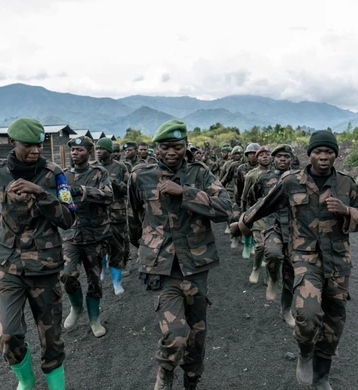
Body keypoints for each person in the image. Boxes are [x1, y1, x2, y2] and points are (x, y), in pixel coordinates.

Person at [231, 130, 358, 390]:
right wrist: (242, 223)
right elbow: (265, 205)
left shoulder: (347, 184)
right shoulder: (292, 182)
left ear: (336, 155)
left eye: (328, 152)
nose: (323, 157)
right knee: (307, 313)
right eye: (318, 152)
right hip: (305, 258)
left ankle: (322, 375)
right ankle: (305, 352)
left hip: (338, 260)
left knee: (335, 317)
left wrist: (346, 211)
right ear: (310, 155)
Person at [127, 120, 232, 390]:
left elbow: (225, 208)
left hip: (196, 266)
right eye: (165, 147)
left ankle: (192, 381)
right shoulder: (141, 175)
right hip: (162, 268)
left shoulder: (201, 174)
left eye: (178, 146)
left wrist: (185, 193)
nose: (171, 152)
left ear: (186, 147)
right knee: (176, 335)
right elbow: (135, 217)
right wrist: (145, 247)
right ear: (155, 148)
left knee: (197, 340)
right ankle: (165, 371)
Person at [0, 117, 74, 390]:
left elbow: (69, 218)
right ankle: (25, 380)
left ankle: (56, 386)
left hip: (44, 266)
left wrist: (41, 193)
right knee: (8, 335)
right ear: (12, 142)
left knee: (51, 338)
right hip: (8, 263)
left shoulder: (54, 173)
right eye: (29, 145)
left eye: (39, 144)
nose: (36, 150)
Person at [60, 136, 114, 338]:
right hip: (71, 236)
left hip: (95, 236)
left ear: (89, 153)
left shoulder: (99, 173)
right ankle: (76, 307)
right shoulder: (63, 175)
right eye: (73, 149)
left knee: (95, 281)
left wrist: (82, 191)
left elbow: (109, 196)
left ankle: (94, 319)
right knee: (67, 275)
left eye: (80, 149)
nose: (75, 152)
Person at [248, 144, 296, 327]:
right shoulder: (263, 178)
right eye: (279, 156)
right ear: (274, 159)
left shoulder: (297, 178)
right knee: (273, 254)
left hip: (293, 229)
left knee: (291, 273)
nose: (283, 159)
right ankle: (273, 278)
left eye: (286, 156)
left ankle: (286, 310)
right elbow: (255, 200)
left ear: (291, 159)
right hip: (272, 225)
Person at [94, 137, 130, 295]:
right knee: (99, 248)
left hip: (117, 216)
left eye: (101, 149)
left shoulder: (120, 167)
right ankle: (101, 272)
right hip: (98, 216)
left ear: (109, 151)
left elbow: (129, 189)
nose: (98, 152)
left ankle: (117, 282)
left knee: (117, 249)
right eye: (96, 149)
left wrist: (116, 183)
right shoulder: (92, 168)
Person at [240, 145, 272, 273]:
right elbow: (244, 196)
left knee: (273, 248)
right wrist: (243, 217)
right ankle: (256, 267)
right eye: (261, 155)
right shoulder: (251, 175)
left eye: (267, 154)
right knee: (260, 245)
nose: (265, 157)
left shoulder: (278, 173)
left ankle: (269, 276)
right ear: (258, 158)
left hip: (274, 214)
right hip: (257, 213)